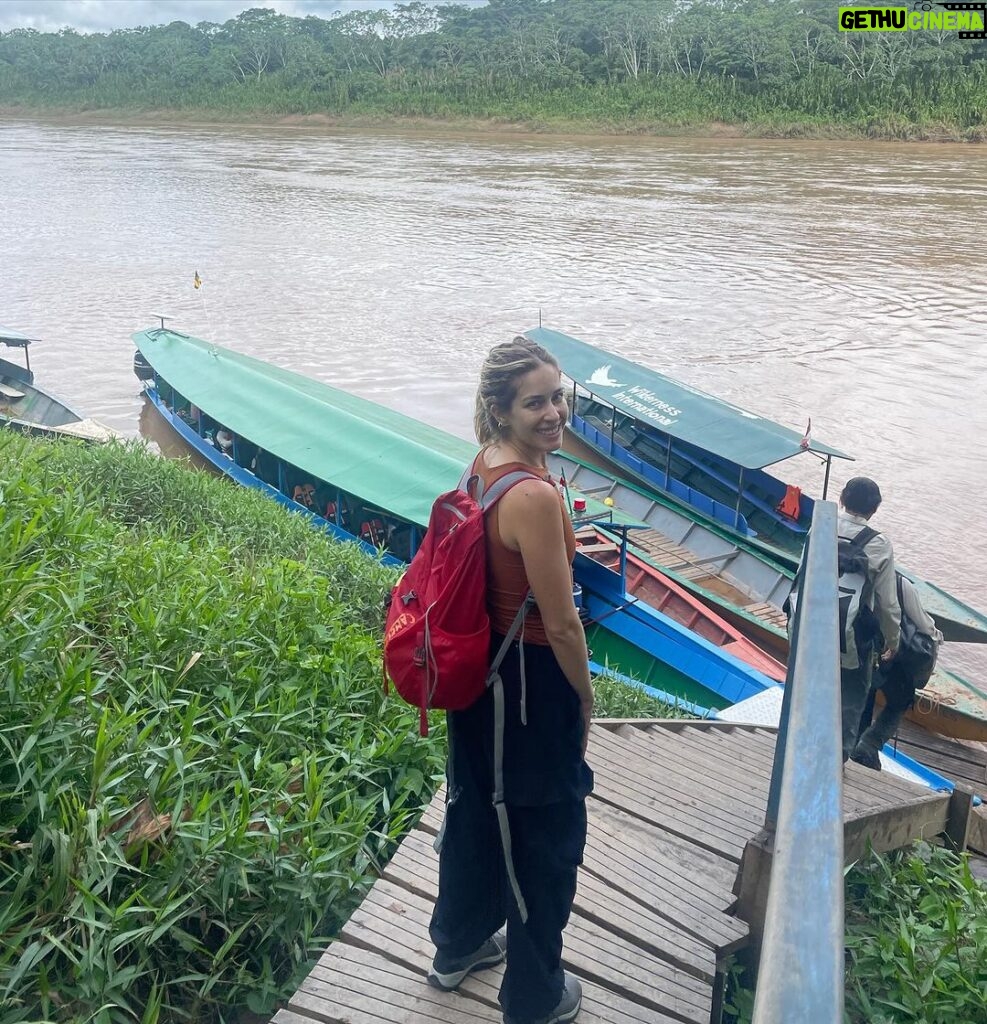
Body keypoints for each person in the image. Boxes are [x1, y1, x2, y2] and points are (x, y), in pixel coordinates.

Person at [428, 336, 594, 1024]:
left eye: (558, 395)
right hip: (526, 686)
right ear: (501, 409)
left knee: (475, 807)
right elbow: (561, 625)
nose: (554, 412)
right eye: (536, 401)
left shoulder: (483, 466)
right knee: (545, 836)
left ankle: (458, 945)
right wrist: (583, 697)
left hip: (479, 676)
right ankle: (533, 995)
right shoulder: (533, 496)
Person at [836, 477, 900, 764]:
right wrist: (892, 641)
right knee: (851, 697)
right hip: (853, 635)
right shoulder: (879, 544)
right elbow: (887, 604)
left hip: (810, 625)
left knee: (807, 684)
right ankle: (837, 759)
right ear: (875, 509)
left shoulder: (820, 527)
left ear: (841, 499)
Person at [852, 574, 940, 771]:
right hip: (893, 659)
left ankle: (855, 744)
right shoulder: (901, 585)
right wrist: (937, 637)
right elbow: (924, 624)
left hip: (862, 653)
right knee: (898, 704)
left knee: (864, 698)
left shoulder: (857, 576)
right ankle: (870, 745)